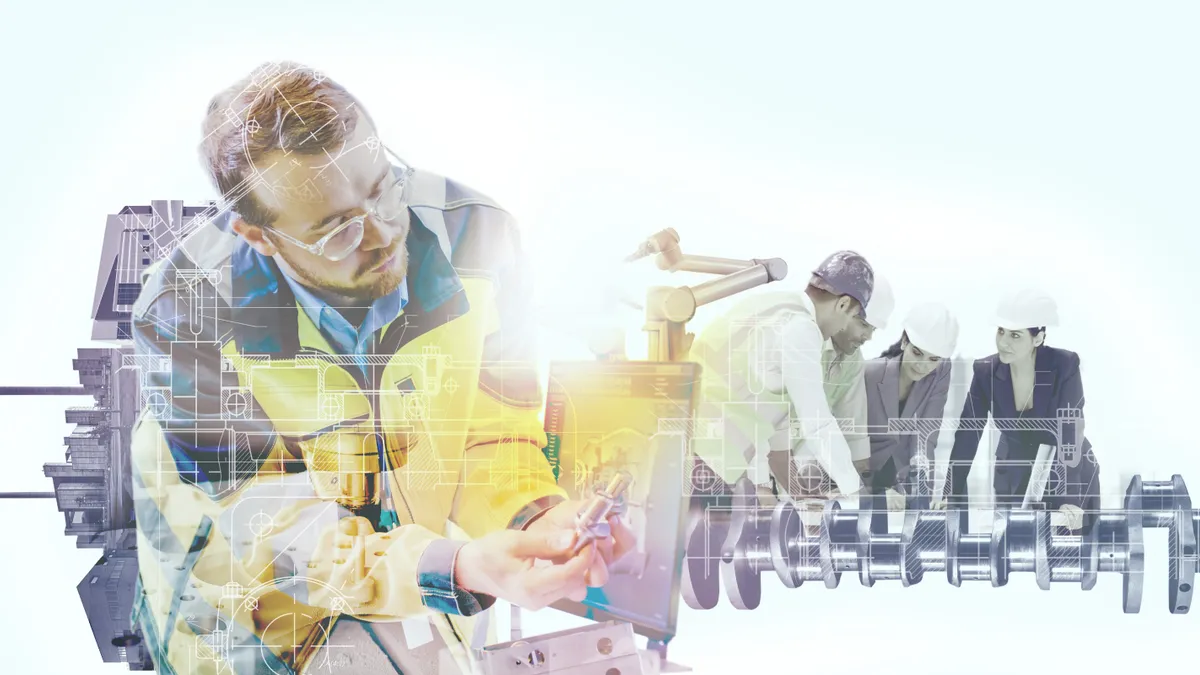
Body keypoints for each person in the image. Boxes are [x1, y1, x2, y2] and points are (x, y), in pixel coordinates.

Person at [128, 61, 633, 675]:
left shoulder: (478, 237)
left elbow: (493, 433)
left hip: (419, 576)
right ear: (258, 237)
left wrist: (535, 518)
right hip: (253, 611)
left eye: (383, 186)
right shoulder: (184, 315)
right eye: (337, 229)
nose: (386, 233)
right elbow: (278, 535)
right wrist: (454, 567)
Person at [688, 251, 878, 506]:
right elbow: (818, 424)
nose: (843, 327)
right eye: (850, 317)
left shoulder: (776, 307)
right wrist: (855, 493)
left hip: (689, 449)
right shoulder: (802, 329)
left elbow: (771, 411)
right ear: (842, 304)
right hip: (705, 459)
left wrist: (794, 491)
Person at [939, 289, 1101, 533]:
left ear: (1038, 338)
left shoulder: (1064, 365)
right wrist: (950, 494)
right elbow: (967, 435)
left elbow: (1070, 429)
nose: (1003, 342)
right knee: (1008, 551)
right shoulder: (985, 371)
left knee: (1074, 552)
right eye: (1001, 331)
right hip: (1013, 472)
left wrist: (1070, 499)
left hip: (1068, 470)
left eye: (1015, 335)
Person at [863, 302, 960, 527]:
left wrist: (924, 494)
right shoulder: (869, 373)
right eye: (917, 352)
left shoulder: (940, 371)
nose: (922, 365)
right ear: (905, 341)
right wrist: (873, 493)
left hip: (900, 479)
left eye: (933, 359)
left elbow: (926, 435)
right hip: (862, 473)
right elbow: (849, 441)